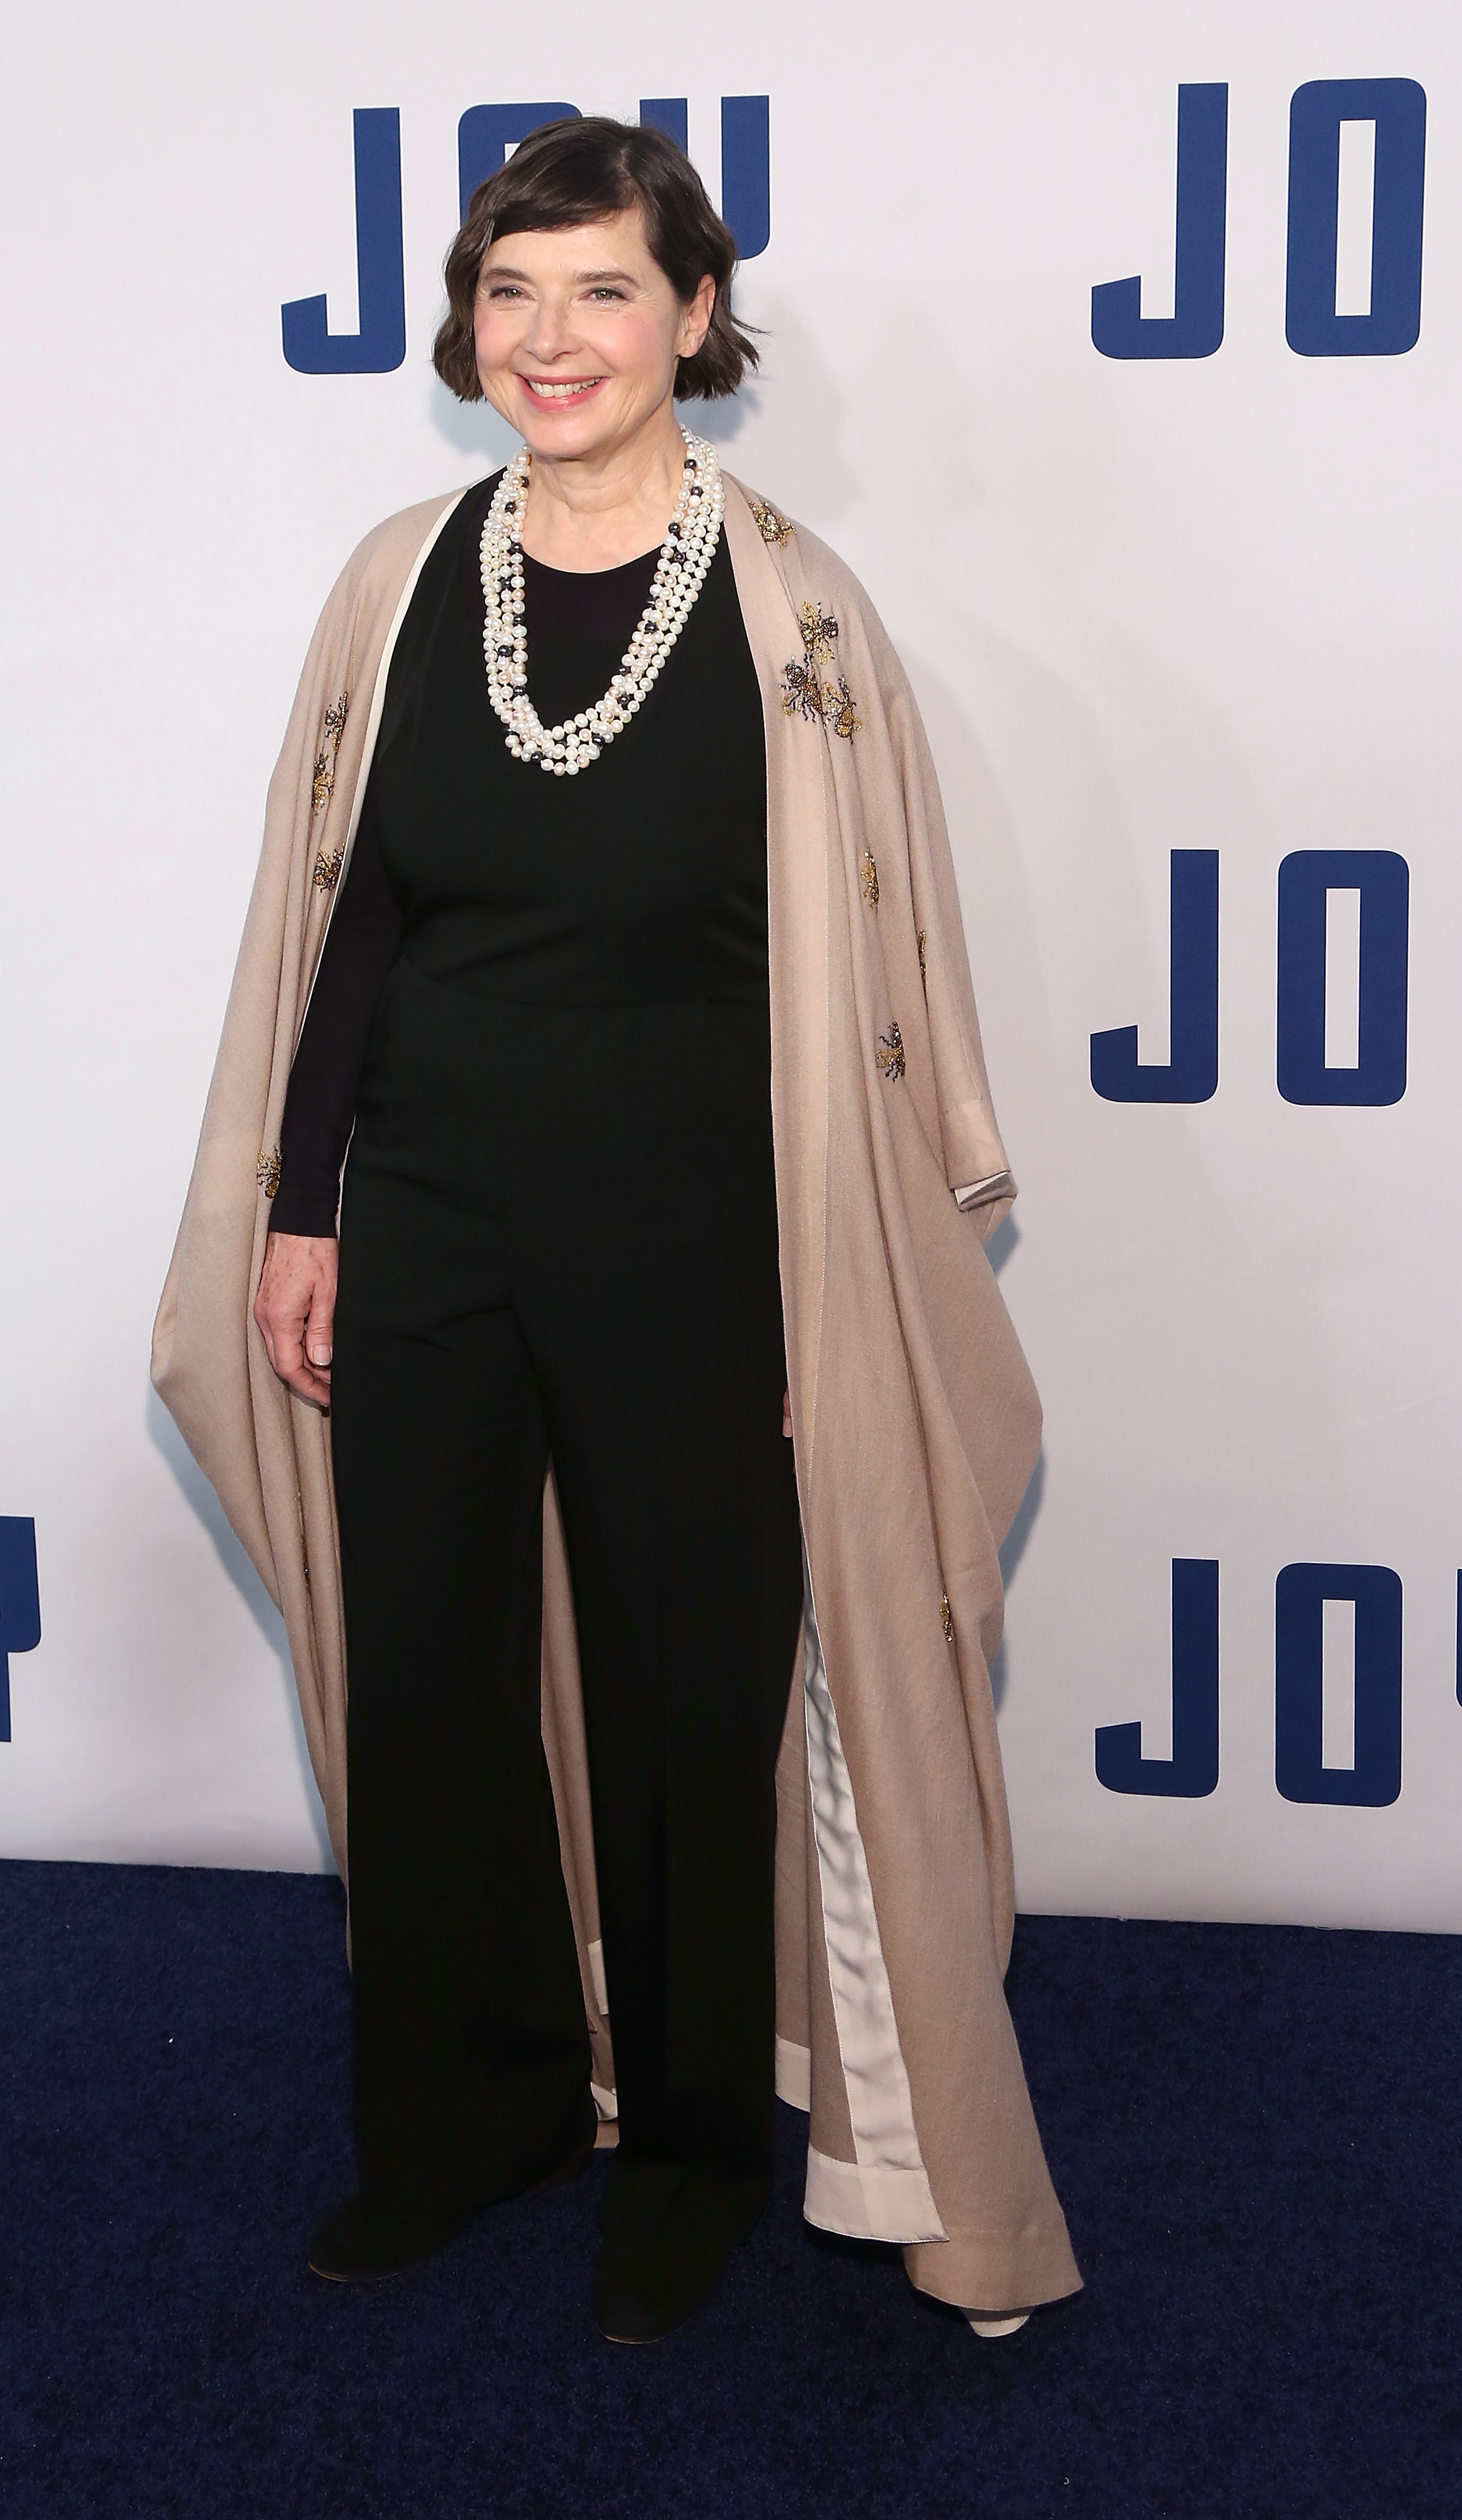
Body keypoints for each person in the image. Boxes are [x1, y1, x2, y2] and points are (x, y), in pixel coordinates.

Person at [154, 116, 1080, 2346]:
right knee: (430, 1686)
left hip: (703, 1236)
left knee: (687, 1702)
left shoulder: (797, 610)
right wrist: (303, 1209)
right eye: (511, 294)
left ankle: (680, 2157)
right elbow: (343, 923)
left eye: (598, 292)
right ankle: (458, 2123)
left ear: (689, 317)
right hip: (431, 1218)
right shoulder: (396, 578)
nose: (550, 340)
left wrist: (827, 1288)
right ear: (468, 330)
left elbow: (863, 999)